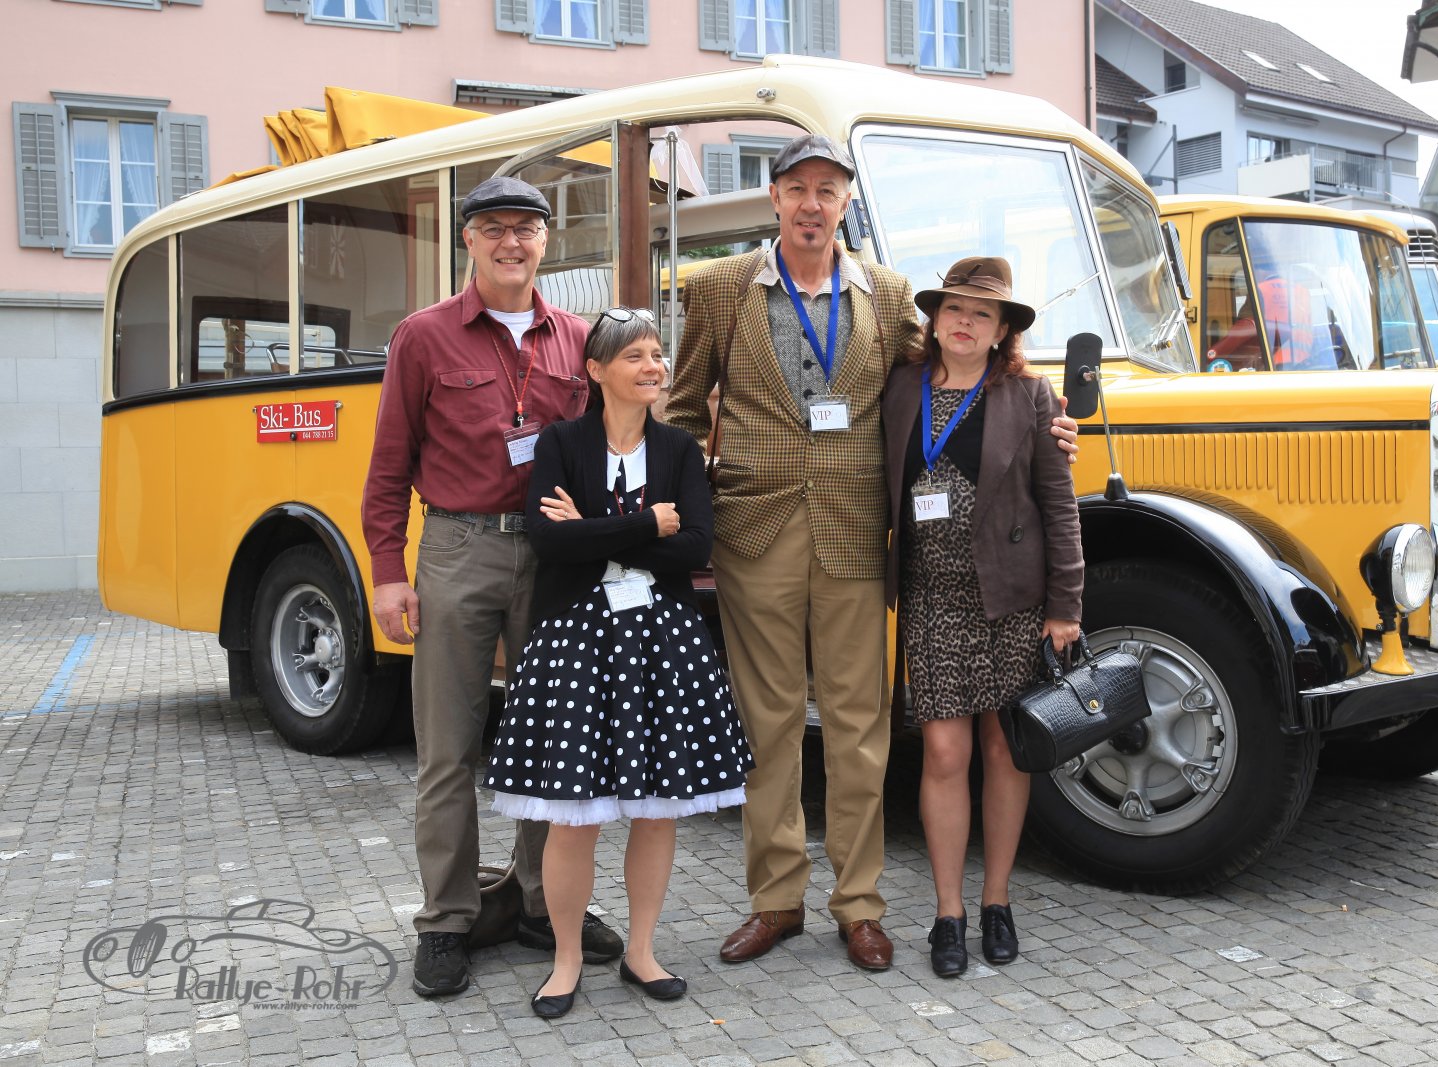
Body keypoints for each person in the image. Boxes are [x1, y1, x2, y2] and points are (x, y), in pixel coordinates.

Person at [666, 133, 1081, 973]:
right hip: (754, 532)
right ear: (774, 198)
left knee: (859, 727)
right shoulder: (717, 288)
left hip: (857, 533)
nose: (812, 204)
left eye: (828, 190)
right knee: (768, 723)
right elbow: (681, 407)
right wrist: (693, 503)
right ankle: (775, 899)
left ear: (846, 202)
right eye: (797, 188)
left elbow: (948, 376)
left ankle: (859, 904)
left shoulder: (887, 294)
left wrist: (1047, 421)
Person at [361, 176, 623, 998]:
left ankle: (544, 904)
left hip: (554, 557)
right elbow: (388, 465)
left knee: (553, 739)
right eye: (495, 228)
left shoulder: (577, 338)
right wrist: (388, 573)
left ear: (546, 240)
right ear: (468, 239)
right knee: (448, 747)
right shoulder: (423, 336)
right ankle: (447, 918)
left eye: (527, 228)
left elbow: (614, 442)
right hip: (459, 547)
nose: (513, 241)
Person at [485, 308, 751, 1019]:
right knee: (575, 814)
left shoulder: (680, 449)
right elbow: (549, 541)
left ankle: (641, 951)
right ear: (596, 369)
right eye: (635, 355)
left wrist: (595, 529)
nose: (653, 367)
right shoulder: (561, 442)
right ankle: (567, 959)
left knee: (657, 811)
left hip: (662, 639)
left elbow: (694, 547)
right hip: (575, 639)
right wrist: (644, 523)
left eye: (657, 354)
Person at [883, 256, 1083, 978]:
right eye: (954, 309)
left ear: (1002, 331)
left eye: (982, 313)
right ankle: (948, 912)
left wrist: (1065, 607)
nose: (965, 322)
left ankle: (996, 900)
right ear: (935, 320)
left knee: (1003, 750)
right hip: (931, 599)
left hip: (1011, 600)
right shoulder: (899, 386)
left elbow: (1059, 505)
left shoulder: (1029, 394)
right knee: (944, 753)